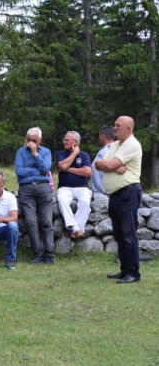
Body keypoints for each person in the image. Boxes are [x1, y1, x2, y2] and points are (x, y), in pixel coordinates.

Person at [95, 116, 142, 284]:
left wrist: (109, 165)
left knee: (129, 234)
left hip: (128, 193)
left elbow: (106, 166)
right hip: (115, 194)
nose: (114, 128)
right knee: (120, 235)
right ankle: (124, 270)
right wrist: (111, 166)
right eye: (115, 125)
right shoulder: (116, 145)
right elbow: (98, 164)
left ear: (128, 129)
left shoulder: (132, 145)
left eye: (118, 125)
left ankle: (133, 273)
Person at [14, 127, 54, 264]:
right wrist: (36, 171)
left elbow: (45, 169)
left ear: (40, 140)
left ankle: (49, 254)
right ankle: (37, 253)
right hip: (26, 189)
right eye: (28, 140)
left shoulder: (46, 152)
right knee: (31, 223)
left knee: (47, 221)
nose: (30, 143)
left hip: (43, 188)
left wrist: (35, 153)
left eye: (34, 141)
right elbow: (19, 172)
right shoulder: (20, 151)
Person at [56, 131, 92, 240]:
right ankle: (77, 229)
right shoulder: (60, 153)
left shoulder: (84, 155)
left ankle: (75, 230)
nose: (64, 142)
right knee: (62, 200)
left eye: (67, 140)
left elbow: (87, 171)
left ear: (75, 142)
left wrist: (69, 169)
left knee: (85, 202)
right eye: (64, 140)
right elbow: (62, 166)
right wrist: (74, 154)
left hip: (82, 187)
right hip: (64, 187)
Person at [90, 125, 115, 195]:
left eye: (99, 135)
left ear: (103, 136)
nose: (99, 137)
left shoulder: (108, 150)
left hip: (104, 193)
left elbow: (109, 167)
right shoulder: (111, 148)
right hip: (102, 192)